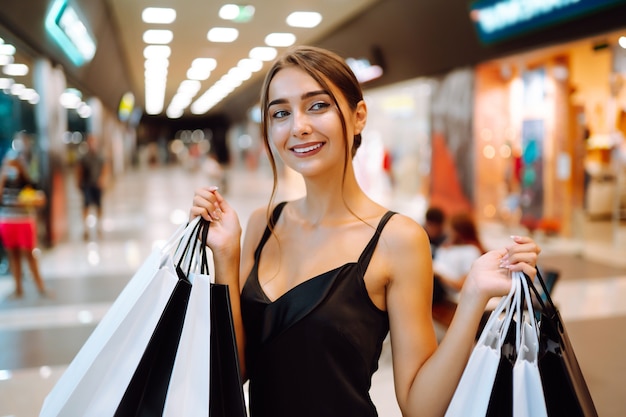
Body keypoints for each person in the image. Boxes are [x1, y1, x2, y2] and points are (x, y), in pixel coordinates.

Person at [189, 46, 541, 417]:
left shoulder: (397, 239)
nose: (298, 126)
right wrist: (226, 257)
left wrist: (472, 297)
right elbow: (236, 369)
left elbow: (420, 407)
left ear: (358, 116)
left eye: (317, 106)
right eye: (280, 113)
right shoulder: (264, 224)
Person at [0, 151, 47, 298]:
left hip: (24, 222)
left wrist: (30, 200)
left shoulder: (27, 182)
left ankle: (40, 287)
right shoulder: (4, 181)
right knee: (13, 256)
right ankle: (18, 289)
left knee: (30, 255)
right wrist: (2, 177)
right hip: (8, 222)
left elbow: (41, 198)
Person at [432, 212, 487, 303]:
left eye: (450, 229)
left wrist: (438, 274)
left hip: (448, 294)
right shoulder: (446, 247)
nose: (446, 231)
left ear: (458, 231)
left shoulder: (470, 251)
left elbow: (461, 285)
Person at [76, 134, 108, 240]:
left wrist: (103, 180)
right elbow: (79, 170)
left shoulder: (100, 156)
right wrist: (78, 182)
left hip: (97, 185)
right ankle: (86, 229)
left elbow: (105, 168)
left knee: (99, 206)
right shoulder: (84, 156)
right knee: (86, 206)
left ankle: (99, 227)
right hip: (87, 184)